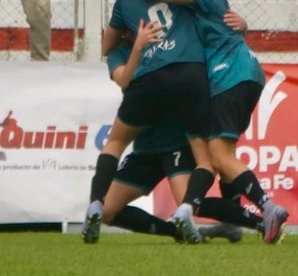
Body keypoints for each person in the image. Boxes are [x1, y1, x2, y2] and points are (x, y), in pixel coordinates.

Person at [117, 0, 290, 245]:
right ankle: (229, 220)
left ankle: (268, 209)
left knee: (220, 157)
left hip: (230, 74)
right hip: (241, 74)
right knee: (218, 155)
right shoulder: (203, 3)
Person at [84, 0, 217, 245]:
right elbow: (121, 75)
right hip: (151, 142)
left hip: (167, 128)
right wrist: (136, 48)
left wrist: (136, 44)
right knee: (200, 173)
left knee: (116, 142)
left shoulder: (128, 3)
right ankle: (185, 226)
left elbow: (107, 47)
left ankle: (95, 201)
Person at [100, 23, 262, 242]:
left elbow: (218, 35)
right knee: (107, 210)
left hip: (179, 142)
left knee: (191, 203)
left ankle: (261, 223)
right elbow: (125, 82)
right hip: (146, 147)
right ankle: (174, 232)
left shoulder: (176, 42)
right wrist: (138, 49)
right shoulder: (120, 54)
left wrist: (242, 28)